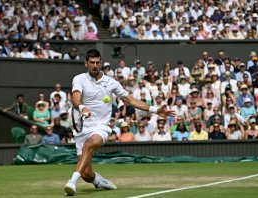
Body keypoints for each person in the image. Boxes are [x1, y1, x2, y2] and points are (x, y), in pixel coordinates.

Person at [64, 49, 175, 196]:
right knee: (87, 174)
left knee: (90, 143)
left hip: (101, 127)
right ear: (86, 63)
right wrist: (82, 107)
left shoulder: (111, 82)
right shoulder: (79, 79)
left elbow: (130, 100)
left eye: (97, 62)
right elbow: (75, 97)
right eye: (92, 63)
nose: (95, 65)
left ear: (101, 63)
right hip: (82, 127)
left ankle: (72, 181)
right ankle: (98, 181)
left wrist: (155, 109)